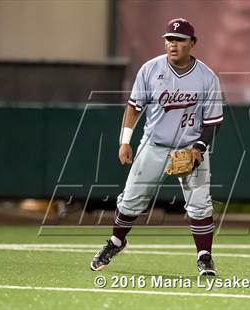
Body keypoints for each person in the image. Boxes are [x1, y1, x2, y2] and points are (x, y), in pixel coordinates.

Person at [90, 18, 223, 276]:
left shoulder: (207, 78)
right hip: (154, 145)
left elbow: (214, 121)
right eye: (169, 39)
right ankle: (116, 242)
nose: (173, 44)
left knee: (200, 205)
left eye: (179, 40)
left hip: (189, 147)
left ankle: (204, 257)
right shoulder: (150, 70)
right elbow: (134, 107)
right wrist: (125, 141)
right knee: (129, 202)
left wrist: (199, 148)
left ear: (192, 43)